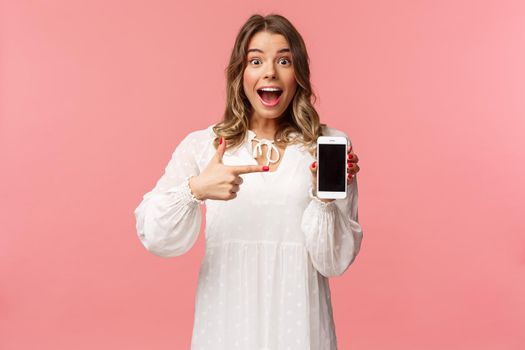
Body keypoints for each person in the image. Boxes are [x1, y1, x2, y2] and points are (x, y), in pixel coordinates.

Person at [134, 13, 363, 350]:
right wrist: (195, 189)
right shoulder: (205, 146)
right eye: (256, 60)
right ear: (240, 74)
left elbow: (333, 262)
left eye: (284, 60)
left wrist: (323, 199)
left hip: (298, 323)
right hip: (228, 321)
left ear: (298, 72)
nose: (270, 71)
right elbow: (154, 235)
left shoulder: (326, 145)